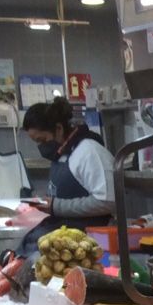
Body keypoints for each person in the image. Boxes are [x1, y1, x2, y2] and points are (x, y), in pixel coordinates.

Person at [19, 97, 114, 251]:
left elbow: (107, 201)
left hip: (87, 243)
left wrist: (57, 206)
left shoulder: (88, 151)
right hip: (62, 236)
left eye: (42, 140)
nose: (42, 146)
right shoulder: (61, 155)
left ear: (58, 129)